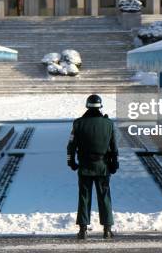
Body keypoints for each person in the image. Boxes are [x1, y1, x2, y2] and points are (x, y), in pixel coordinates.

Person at [67, 94, 119, 240]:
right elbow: (114, 147)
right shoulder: (108, 124)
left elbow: (70, 146)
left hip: (85, 167)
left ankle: (83, 230)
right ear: (100, 106)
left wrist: (71, 162)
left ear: (87, 106)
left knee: (84, 196)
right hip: (103, 167)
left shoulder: (78, 124)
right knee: (104, 196)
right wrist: (115, 163)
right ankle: (107, 229)